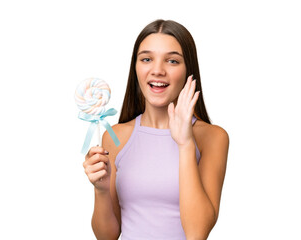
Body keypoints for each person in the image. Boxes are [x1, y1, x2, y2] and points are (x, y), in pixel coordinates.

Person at [82, 19, 229, 240]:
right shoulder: (115, 136)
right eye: (147, 59)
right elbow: (107, 236)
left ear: (189, 70)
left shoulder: (212, 137)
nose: (157, 70)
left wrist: (185, 143)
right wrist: (101, 190)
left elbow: (197, 233)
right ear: (136, 67)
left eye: (172, 61)